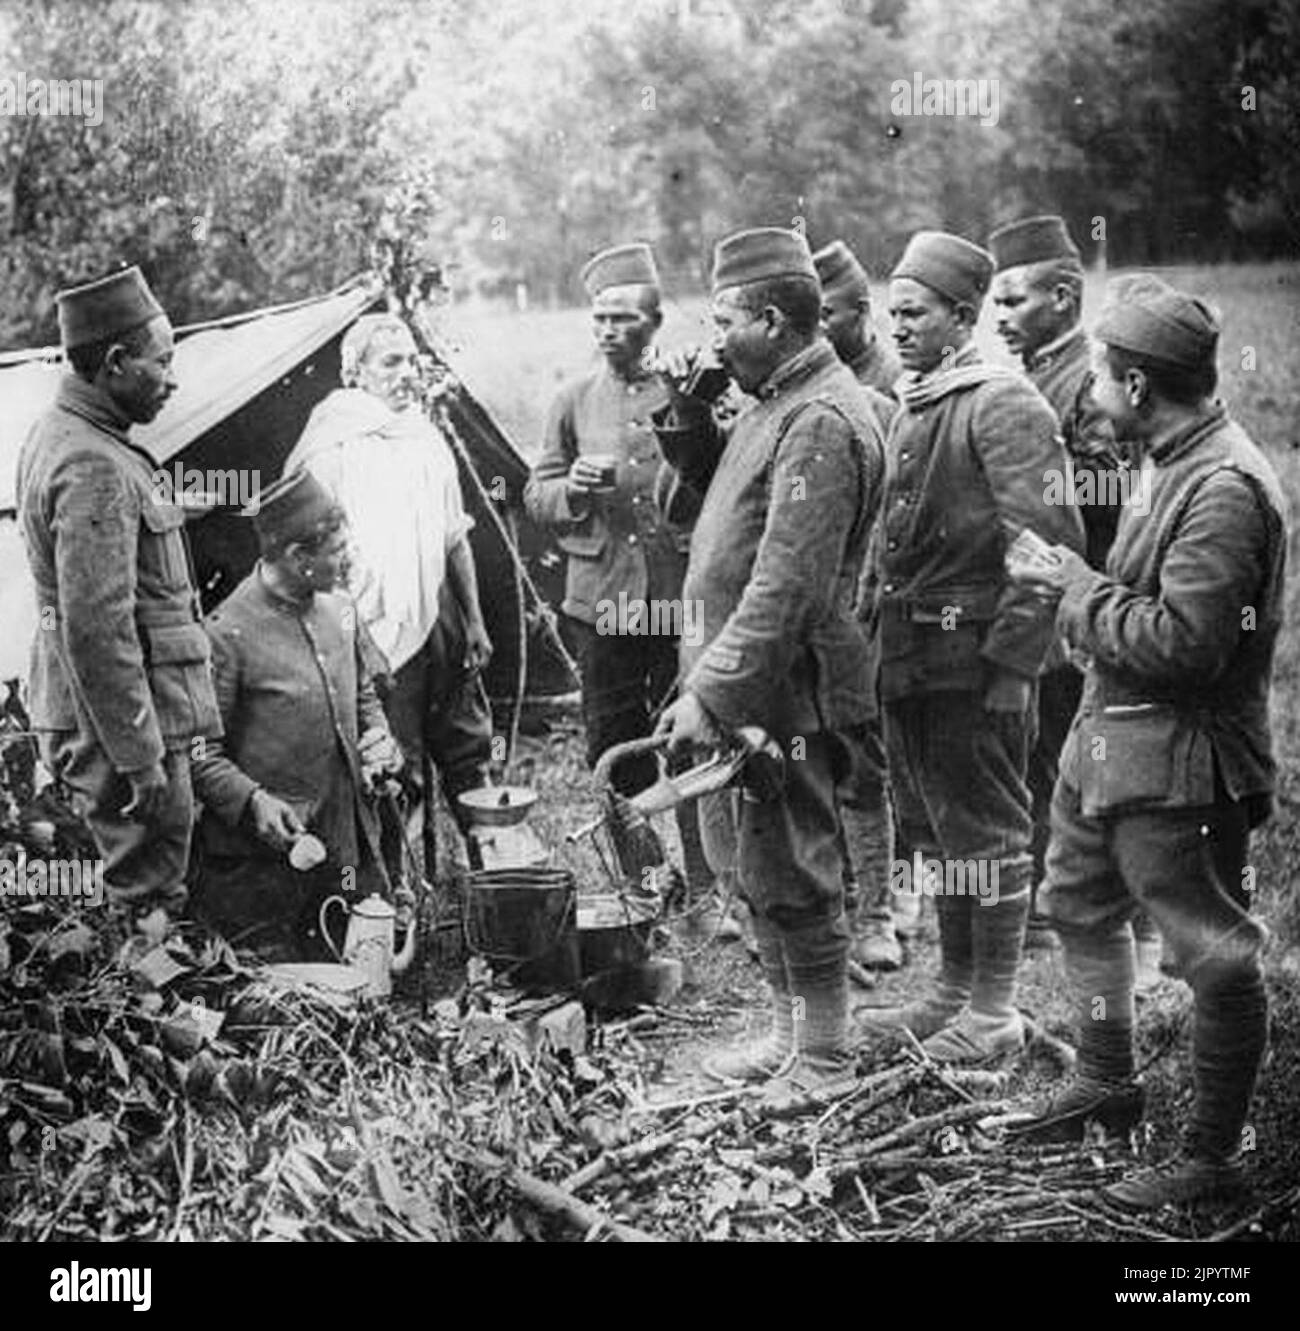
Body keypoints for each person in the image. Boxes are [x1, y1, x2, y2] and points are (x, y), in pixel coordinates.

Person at [1006, 276, 1286, 1210]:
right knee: (1079, 905)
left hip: (1181, 765)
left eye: (1095, 377)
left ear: (1135, 385)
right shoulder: (1168, 454)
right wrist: (1080, 585)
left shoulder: (1225, 489)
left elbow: (1188, 646)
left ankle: (1212, 1158)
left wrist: (1076, 588)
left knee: (1213, 951)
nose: (1086, 395)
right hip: (1112, 746)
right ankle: (1106, 1077)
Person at [653, 227, 886, 1081]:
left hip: (792, 689)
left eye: (726, 321)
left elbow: (785, 588)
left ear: (776, 321)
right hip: (760, 685)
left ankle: (822, 1054)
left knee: (798, 867)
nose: (714, 339)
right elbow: (703, 521)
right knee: (764, 864)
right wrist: (686, 419)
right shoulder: (776, 400)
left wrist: (710, 692)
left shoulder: (819, 420)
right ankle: (789, 1037)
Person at [858, 231, 1085, 1064]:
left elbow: (1045, 546)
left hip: (975, 669)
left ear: (963, 315)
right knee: (939, 833)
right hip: (914, 664)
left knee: (987, 833)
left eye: (915, 313)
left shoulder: (1002, 401)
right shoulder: (923, 398)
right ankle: (953, 990)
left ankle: (990, 1010)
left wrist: (1015, 670)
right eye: (893, 313)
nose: (899, 328)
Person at [524, 243, 721, 934]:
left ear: (656, 321)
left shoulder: (685, 394)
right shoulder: (572, 399)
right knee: (612, 737)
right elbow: (535, 491)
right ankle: (645, 879)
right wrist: (569, 491)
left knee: (691, 736)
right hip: (603, 599)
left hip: (674, 593)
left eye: (622, 318)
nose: (608, 330)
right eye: (599, 318)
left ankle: (704, 885)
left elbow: (714, 480)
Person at [16, 266, 221, 914]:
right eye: (161, 363)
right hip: (120, 730)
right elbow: (98, 627)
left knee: (139, 894)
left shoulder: (70, 437)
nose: (172, 379)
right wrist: (140, 758)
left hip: (103, 716)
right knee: (146, 897)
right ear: (114, 361)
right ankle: (157, 1011)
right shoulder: (92, 463)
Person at [285, 314, 492, 875]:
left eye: (411, 360)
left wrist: (473, 621)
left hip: (438, 617)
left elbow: (455, 537)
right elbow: (318, 566)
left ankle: (496, 879)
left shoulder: (426, 439)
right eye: (389, 362)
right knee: (395, 765)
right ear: (355, 372)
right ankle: (398, 895)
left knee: (468, 748)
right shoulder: (329, 447)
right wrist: (360, 645)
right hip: (369, 628)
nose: (406, 373)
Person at [988, 216, 1141, 952]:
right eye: (994, 302)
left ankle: (1092, 907)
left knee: (1075, 750)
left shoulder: (1085, 380)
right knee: (1045, 747)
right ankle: (1057, 897)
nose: (1000, 316)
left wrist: (1019, 478)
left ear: (1064, 295)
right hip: (1047, 591)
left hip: (1087, 592)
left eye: (1014, 300)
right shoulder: (1033, 377)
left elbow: (1112, 486)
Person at [190, 470, 404, 959]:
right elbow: (199, 752)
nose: (349, 560)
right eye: (337, 550)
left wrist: (379, 738)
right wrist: (252, 800)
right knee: (284, 989)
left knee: (358, 972)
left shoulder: (341, 609)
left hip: (345, 844)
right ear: (297, 557)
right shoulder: (226, 633)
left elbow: (363, 694)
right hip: (266, 863)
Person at [812, 237, 905, 972]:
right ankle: (836, 897)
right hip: (813, 602)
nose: (818, 329)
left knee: (865, 757)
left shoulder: (890, 385)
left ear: (860, 310)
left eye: (830, 313)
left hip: (873, 602)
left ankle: (879, 909)